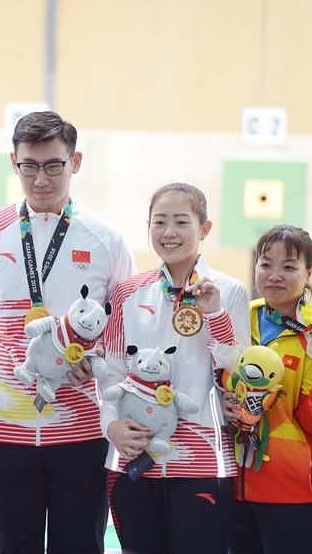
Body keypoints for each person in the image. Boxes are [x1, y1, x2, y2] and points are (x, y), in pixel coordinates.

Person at [0, 111, 135, 553]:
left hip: (81, 433)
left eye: (53, 164)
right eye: (29, 165)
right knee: (11, 546)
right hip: (3, 433)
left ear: (75, 162)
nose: (41, 178)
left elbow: (122, 336)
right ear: (14, 164)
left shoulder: (106, 240)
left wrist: (94, 370)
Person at [100, 182, 249, 554]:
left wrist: (213, 314)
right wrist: (111, 426)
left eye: (181, 222)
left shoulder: (229, 292)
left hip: (200, 461)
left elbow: (237, 370)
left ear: (205, 229)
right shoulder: (127, 293)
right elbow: (113, 371)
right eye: (159, 222)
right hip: (132, 459)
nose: (169, 233)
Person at [224, 225, 312, 554]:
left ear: (308, 274)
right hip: (235, 488)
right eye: (266, 264)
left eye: (289, 267)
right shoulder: (239, 318)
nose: (274, 275)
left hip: (297, 493)